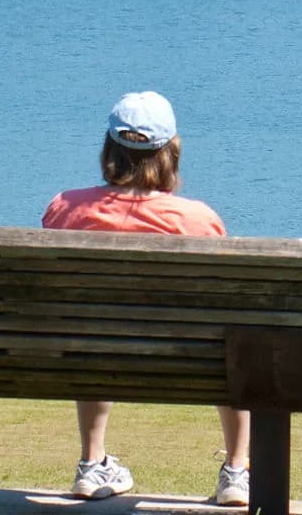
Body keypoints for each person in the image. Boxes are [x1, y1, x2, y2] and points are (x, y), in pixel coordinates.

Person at [41, 91, 252, 506]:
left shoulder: (64, 209)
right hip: (189, 359)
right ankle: (237, 471)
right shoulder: (196, 219)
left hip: (89, 350)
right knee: (234, 343)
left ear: (109, 150)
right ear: (170, 152)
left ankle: (92, 462)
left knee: (92, 327)